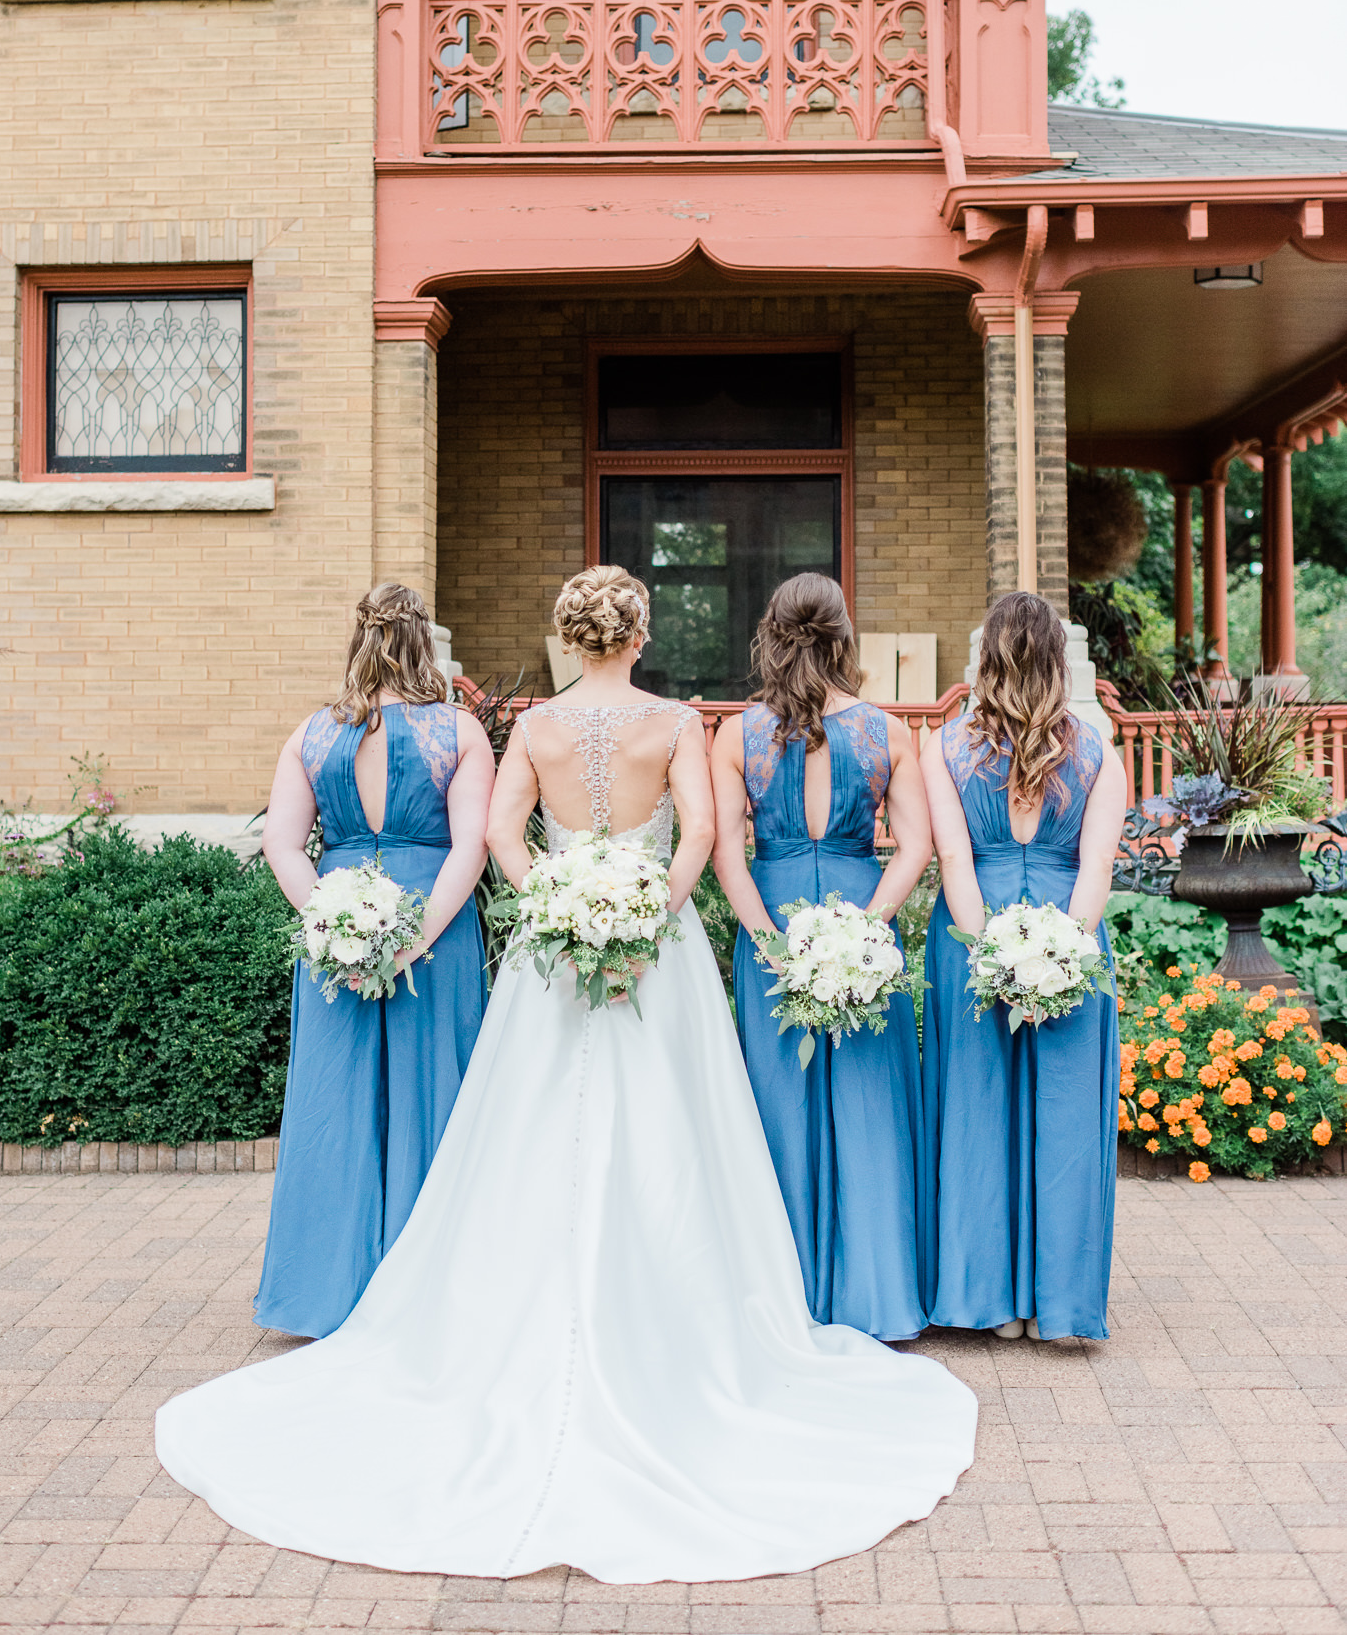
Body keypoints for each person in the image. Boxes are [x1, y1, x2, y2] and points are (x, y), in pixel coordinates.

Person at [155, 565, 976, 1584]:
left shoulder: (532, 726)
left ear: (568, 638)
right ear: (637, 637)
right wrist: (643, 914)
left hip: (555, 962)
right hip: (654, 960)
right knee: (679, 1133)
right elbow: (705, 837)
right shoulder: (677, 723)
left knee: (522, 1136)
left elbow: (500, 835)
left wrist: (560, 904)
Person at [252, 582, 494, 1339]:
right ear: (427, 642)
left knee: (335, 1106)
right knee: (435, 1100)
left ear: (357, 640)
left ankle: (324, 1293)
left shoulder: (310, 734)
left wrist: (326, 918)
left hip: (338, 937)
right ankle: (433, 1293)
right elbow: (472, 846)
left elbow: (282, 844)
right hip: (438, 933)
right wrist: (419, 936)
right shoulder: (459, 732)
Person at [711, 573, 933, 1341]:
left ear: (771, 634)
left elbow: (726, 856)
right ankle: (878, 1297)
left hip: (770, 920)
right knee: (871, 1105)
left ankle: (784, 1299)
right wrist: (868, 929)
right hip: (859, 914)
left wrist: (769, 942)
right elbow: (917, 847)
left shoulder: (735, 734)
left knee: (777, 1109)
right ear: (844, 637)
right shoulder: (889, 731)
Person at [920, 591, 1126, 1343]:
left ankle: (992, 1305)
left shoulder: (942, 747)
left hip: (972, 945)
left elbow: (953, 860)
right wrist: (1060, 956)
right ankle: (1055, 1306)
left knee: (978, 1116)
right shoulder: (1100, 750)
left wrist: (991, 959)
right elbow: (1097, 864)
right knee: (1065, 1120)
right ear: (1057, 662)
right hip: (1071, 946)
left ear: (986, 661)